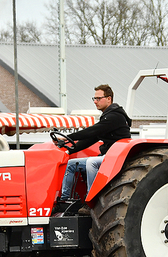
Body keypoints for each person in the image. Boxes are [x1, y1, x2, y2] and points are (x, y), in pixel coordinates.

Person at [55, 84, 132, 213]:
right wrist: (68, 150)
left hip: (116, 158)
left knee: (91, 163)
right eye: (94, 99)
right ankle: (65, 201)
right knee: (71, 164)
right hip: (107, 157)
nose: (95, 102)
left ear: (109, 98)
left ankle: (91, 201)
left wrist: (68, 137)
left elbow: (92, 131)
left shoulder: (115, 116)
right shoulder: (107, 117)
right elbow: (92, 138)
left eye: (98, 98)